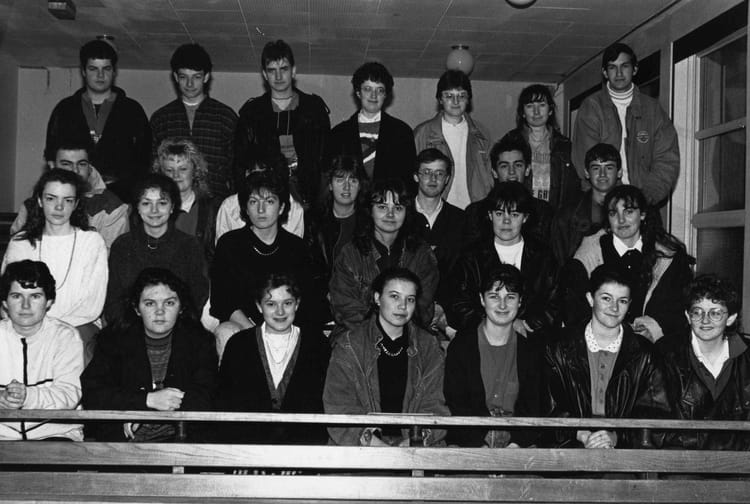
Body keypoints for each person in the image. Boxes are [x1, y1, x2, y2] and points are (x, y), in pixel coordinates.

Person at [82, 267, 217, 442]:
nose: (160, 311)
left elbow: (207, 396)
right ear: (137, 309)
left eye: (169, 303)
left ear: (181, 307)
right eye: (150, 303)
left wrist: (150, 411)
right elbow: (93, 394)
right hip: (124, 440)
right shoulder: (113, 341)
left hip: (181, 438)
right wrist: (146, 401)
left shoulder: (200, 342)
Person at [544, 265, 670, 448]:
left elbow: (656, 415)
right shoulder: (558, 347)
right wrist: (580, 434)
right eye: (606, 298)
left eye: (622, 301)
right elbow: (548, 408)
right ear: (590, 299)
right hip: (569, 448)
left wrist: (617, 437)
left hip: (626, 453)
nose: (614, 308)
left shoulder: (646, 354)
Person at [324, 268, 448, 446]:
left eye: (410, 299)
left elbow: (436, 405)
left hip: (415, 446)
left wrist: (412, 443)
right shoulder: (350, 344)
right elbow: (339, 406)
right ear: (377, 298)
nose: (402, 306)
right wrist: (374, 444)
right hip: (362, 448)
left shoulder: (428, 345)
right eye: (394, 296)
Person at [2, 169, 108, 365]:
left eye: (67, 200)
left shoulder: (91, 242)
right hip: (25, 326)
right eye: (51, 198)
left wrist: (51, 332)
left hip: (78, 327)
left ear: (76, 204)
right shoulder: (20, 243)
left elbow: (92, 305)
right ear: (40, 201)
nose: (59, 207)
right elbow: (7, 296)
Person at [563, 184, 693, 342]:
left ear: (642, 214)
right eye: (613, 213)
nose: (621, 220)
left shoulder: (668, 256)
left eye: (629, 211)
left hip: (656, 346)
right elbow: (574, 310)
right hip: (601, 343)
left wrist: (654, 330)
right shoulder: (588, 256)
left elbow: (682, 306)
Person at [211, 169, 315, 360]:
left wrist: (282, 332)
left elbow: (306, 301)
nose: (261, 209)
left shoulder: (296, 248)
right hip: (244, 328)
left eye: (269, 201)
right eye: (253, 202)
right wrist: (257, 334)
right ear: (245, 207)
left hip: (287, 326)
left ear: (281, 207)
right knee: (226, 332)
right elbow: (222, 302)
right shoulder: (230, 244)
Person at [216, 272, 329, 444]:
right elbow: (226, 400)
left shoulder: (317, 344)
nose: (280, 311)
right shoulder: (239, 344)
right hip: (249, 445)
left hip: (302, 446)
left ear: (297, 304)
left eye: (287, 303)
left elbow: (322, 402)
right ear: (259, 306)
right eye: (271, 304)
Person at [444, 265, 547, 448]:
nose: (502, 305)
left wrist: (516, 445)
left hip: (518, 443)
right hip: (470, 441)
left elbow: (534, 408)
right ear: (482, 299)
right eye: (494, 296)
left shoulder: (531, 351)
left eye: (510, 297)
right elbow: (456, 405)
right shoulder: (461, 347)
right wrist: (479, 447)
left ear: (520, 301)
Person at [572, 42, 679, 207]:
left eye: (625, 66)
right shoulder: (591, 107)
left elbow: (667, 161)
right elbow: (586, 161)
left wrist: (643, 199)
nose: (619, 73)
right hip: (602, 203)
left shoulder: (653, 110)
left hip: (643, 202)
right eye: (612, 67)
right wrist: (616, 201)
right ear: (605, 72)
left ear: (635, 69)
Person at [446, 181, 559, 337]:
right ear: (490, 215)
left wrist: (527, 324)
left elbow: (555, 303)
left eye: (514, 215)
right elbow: (459, 304)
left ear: (525, 218)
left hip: (531, 336)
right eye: (499, 214)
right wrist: (499, 323)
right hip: (483, 335)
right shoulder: (471, 256)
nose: (506, 221)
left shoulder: (543, 256)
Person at [45, 39, 150, 203]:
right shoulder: (65, 109)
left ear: (114, 71)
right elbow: (52, 155)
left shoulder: (132, 110)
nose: (100, 75)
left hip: (121, 199)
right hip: (73, 196)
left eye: (106, 69)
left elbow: (144, 161)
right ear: (83, 71)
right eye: (93, 69)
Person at [329, 178, 438, 333]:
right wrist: (380, 333)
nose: (390, 214)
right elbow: (345, 307)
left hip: (409, 334)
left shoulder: (421, 254)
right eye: (382, 207)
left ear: (407, 212)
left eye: (398, 208)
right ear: (370, 211)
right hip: (358, 335)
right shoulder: (350, 254)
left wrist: (396, 334)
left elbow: (422, 307)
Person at [656, 275, 750, 450]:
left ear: (730, 318)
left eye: (715, 313)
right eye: (697, 312)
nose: (705, 320)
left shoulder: (747, 356)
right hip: (682, 459)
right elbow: (654, 419)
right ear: (687, 316)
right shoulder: (665, 354)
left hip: (741, 461)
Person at [234, 39, 330, 208]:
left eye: (283, 69)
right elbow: (240, 163)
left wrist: (321, 202)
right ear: (264, 75)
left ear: (293, 71)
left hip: (308, 198)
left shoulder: (314, 110)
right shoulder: (251, 113)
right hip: (264, 197)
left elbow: (325, 161)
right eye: (272, 71)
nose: (278, 77)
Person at [105, 174, 208, 324]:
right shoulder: (122, 246)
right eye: (146, 203)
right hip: (130, 326)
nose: (154, 210)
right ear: (137, 207)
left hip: (177, 326)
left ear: (172, 207)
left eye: (162, 203)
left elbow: (196, 296)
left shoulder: (189, 246)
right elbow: (113, 299)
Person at [0, 260, 83, 441]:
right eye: (16, 296)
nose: (25, 305)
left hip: (55, 434)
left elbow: (70, 394)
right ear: (5, 302)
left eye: (35, 296)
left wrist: (28, 397)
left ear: (49, 301)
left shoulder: (65, 336)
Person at [150, 43, 238, 199]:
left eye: (196, 77)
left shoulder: (225, 117)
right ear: (175, 77)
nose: (190, 84)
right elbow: (153, 169)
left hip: (216, 202)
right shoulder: (161, 119)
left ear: (206, 77)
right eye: (183, 77)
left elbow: (236, 169)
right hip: (172, 202)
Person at [10, 138, 129, 251]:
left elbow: (108, 259)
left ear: (90, 167)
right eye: (66, 164)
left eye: (82, 164)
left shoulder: (111, 209)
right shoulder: (31, 206)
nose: (75, 170)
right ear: (52, 166)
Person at [327, 62, 416, 189]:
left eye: (380, 90)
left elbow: (408, 181)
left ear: (385, 94)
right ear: (358, 92)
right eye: (367, 89)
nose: (373, 96)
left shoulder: (402, 132)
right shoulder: (339, 134)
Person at [413, 70, 493, 209]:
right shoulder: (422, 133)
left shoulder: (481, 134)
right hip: (436, 208)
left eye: (461, 96)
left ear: (468, 99)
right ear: (440, 99)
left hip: (476, 207)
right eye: (449, 96)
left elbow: (490, 174)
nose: (456, 101)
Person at [464, 134, 554, 245]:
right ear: (494, 172)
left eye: (518, 165)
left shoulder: (543, 212)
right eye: (504, 166)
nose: (512, 172)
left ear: (527, 170)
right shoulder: (475, 212)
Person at [503, 84, 579, 211]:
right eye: (530, 106)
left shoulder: (564, 145)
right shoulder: (511, 141)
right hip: (520, 211)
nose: (536, 112)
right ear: (522, 112)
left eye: (542, 105)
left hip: (555, 214)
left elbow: (573, 187)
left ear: (550, 110)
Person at [550, 143, 622, 264]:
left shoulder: (632, 213)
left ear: (619, 172)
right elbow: (559, 262)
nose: (602, 174)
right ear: (587, 173)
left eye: (609, 168)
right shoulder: (566, 216)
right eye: (596, 168)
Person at [153, 138, 219, 263]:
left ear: (195, 172)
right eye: (169, 170)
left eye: (183, 169)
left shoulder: (213, 208)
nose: (176, 175)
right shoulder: (151, 210)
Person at [413, 148, 466, 279]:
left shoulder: (460, 219)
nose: (433, 178)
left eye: (439, 173)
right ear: (416, 176)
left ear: (447, 179)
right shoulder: (401, 215)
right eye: (427, 172)